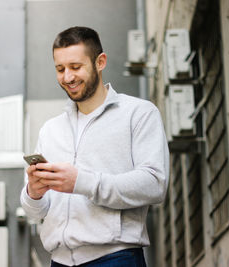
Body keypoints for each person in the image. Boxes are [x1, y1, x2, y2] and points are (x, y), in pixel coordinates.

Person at [20, 26, 169, 267]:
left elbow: (154, 184)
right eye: (60, 69)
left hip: (115, 258)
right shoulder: (50, 130)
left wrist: (82, 182)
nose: (67, 77)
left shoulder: (139, 114)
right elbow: (35, 211)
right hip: (58, 261)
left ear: (100, 62)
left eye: (76, 67)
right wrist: (33, 194)